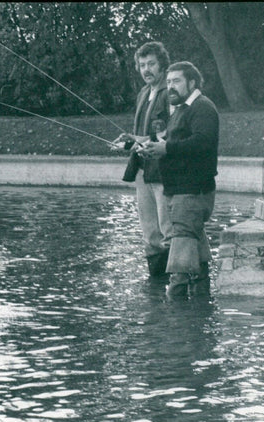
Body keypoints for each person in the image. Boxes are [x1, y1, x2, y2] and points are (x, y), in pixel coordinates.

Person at [139, 61, 219, 298]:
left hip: (192, 192)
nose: (171, 86)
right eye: (169, 81)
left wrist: (166, 149)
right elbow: (173, 142)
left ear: (192, 82)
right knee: (198, 254)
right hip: (181, 191)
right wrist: (152, 147)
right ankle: (202, 307)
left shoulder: (202, 108)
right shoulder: (183, 108)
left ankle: (175, 318)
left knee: (179, 268)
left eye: (177, 81)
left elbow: (201, 143)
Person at [112, 42, 173, 278]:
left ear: (162, 65)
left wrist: (137, 141)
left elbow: (169, 134)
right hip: (142, 171)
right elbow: (143, 133)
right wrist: (128, 140)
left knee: (168, 230)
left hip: (163, 172)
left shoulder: (170, 93)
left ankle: (176, 287)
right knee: (149, 232)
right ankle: (156, 285)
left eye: (151, 64)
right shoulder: (144, 93)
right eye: (142, 65)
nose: (146, 69)